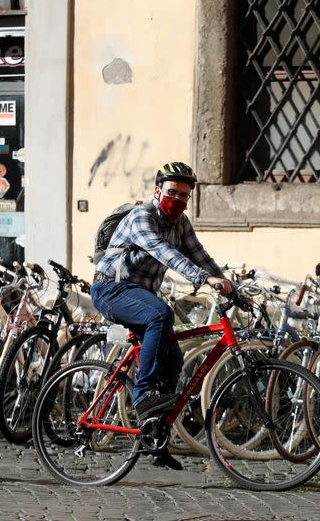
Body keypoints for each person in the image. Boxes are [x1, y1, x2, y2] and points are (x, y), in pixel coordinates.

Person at [90, 161, 232, 470]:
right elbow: (164, 252)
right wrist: (203, 279)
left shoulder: (181, 224)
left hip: (139, 296)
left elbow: (200, 256)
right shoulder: (141, 217)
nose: (178, 199)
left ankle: (154, 435)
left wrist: (230, 287)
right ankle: (143, 395)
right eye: (172, 192)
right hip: (111, 290)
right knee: (160, 314)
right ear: (157, 191)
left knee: (174, 358)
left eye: (184, 195)